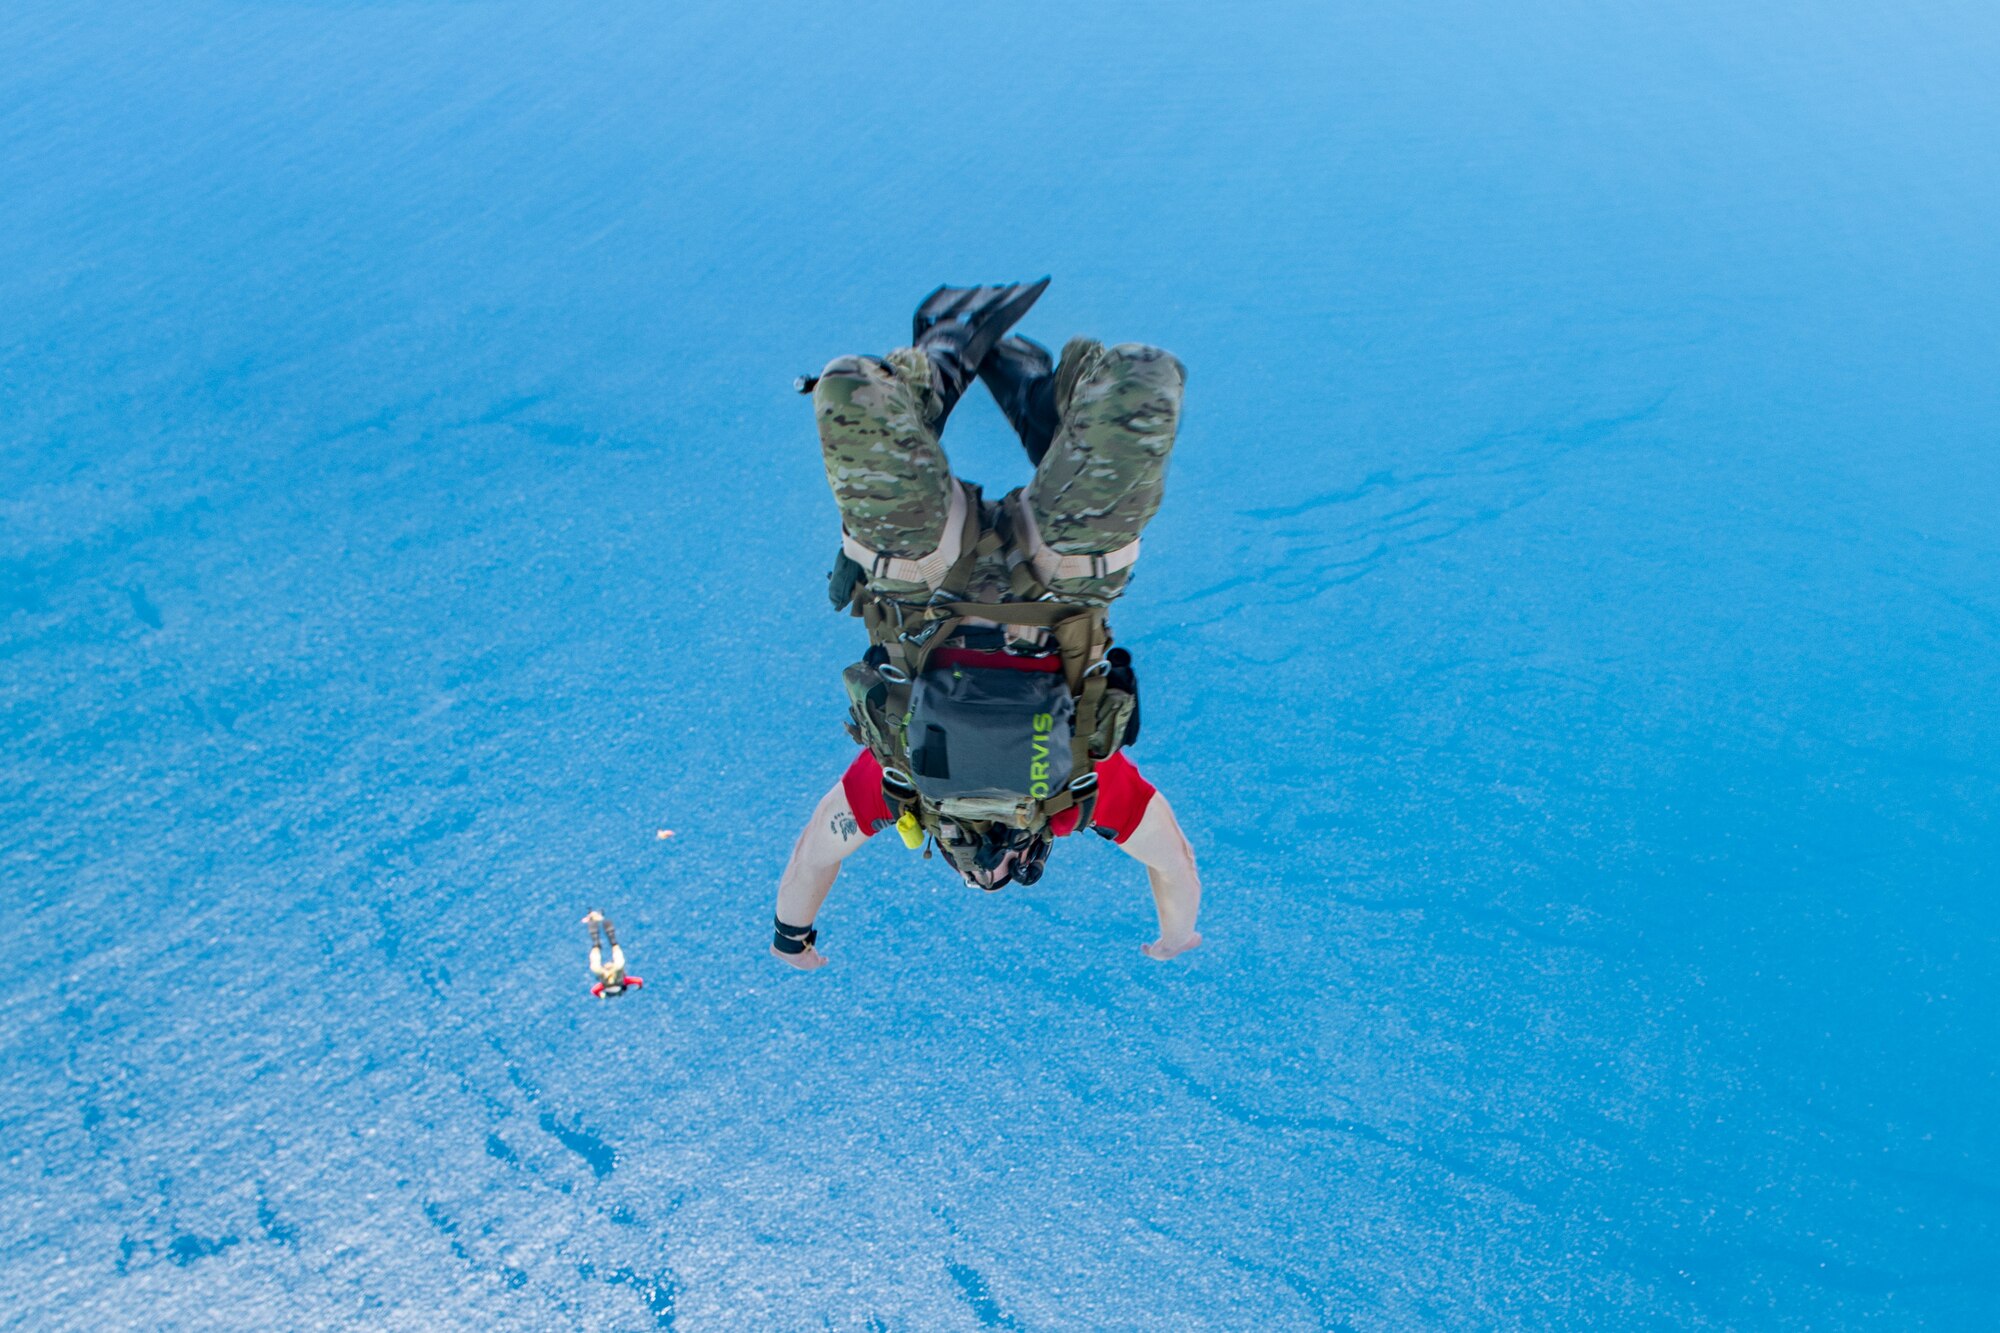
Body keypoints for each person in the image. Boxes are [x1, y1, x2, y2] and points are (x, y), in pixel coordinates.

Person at [770, 279, 1203, 970]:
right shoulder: (1079, 791)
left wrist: (794, 932)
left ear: (939, 839)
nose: (988, 855)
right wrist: (1175, 930)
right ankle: (1045, 408)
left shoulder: (897, 778)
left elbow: (816, 853)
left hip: (926, 582)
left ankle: (940, 361)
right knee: (1142, 380)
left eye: (971, 862)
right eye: (1008, 864)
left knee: (849, 389)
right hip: (1056, 581)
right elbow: (1173, 859)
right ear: (1037, 847)